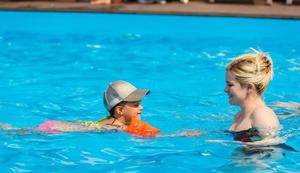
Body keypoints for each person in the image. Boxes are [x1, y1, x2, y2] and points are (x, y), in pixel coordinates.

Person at [1, 80, 202, 138]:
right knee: (20, 133)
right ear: (120, 110)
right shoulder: (119, 128)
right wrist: (182, 135)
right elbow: (154, 138)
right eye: (135, 105)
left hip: (57, 124)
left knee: (16, 130)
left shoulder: (114, 122)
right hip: (56, 128)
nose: (141, 108)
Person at [224, 49, 282, 146]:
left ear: (249, 87)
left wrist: (222, 143)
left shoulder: (262, 113)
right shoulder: (240, 116)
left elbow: (272, 147)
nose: (225, 89)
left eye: (230, 85)